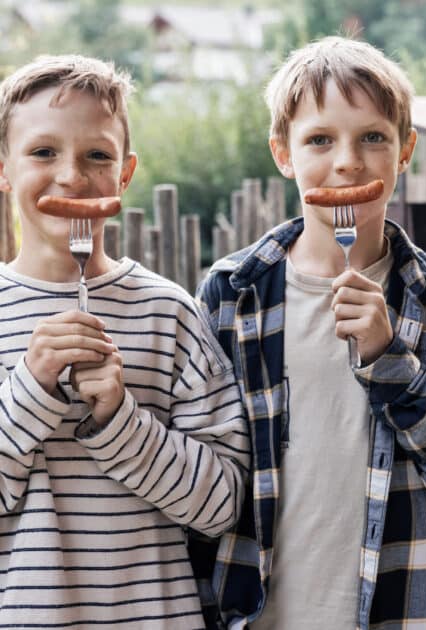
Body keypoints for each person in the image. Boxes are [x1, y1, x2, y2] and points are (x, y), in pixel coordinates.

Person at [195, 36, 426, 630]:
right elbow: (207, 476)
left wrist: (391, 360)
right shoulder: (231, 293)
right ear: (282, 154)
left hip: (409, 615)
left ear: (405, 149)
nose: (348, 161)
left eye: (373, 137)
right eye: (319, 139)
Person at [0, 54, 249, 629]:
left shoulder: (171, 315)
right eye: (43, 152)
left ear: (126, 173)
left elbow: (224, 507)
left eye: (97, 156)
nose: (71, 175)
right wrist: (31, 391)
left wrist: (120, 419)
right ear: (5, 167)